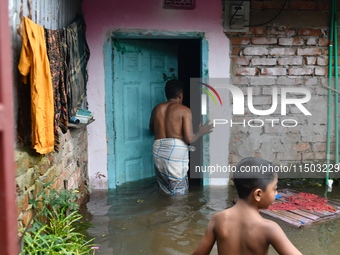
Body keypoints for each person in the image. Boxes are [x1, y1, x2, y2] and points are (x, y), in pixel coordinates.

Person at [190, 157, 302, 255]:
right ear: (258, 194)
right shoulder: (269, 228)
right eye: (274, 188)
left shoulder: (217, 219)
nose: (276, 193)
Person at [149, 79, 213, 195]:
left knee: (164, 187)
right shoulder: (184, 110)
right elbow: (189, 139)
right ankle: (177, 213)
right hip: (176, 151)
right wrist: (200, 132)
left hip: (158, 148)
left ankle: (162, 211)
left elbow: (151, 129)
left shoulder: (156, 109)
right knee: (178, 191)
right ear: (180, 95)